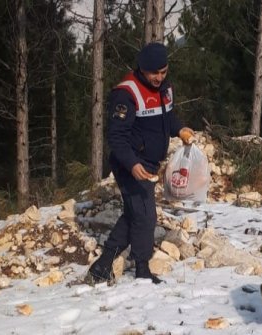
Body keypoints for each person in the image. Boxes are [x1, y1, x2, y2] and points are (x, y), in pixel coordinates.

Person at [87, 42, 195, 284]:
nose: (159, 77)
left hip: (149, 163)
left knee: (135, 213)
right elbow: (116, 137)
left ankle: (102, 265)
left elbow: (168, 116)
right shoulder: (126, 94)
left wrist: (180, 129)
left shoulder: (165, 88)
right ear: (142, 69)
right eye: (154, 73)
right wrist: (132, 164)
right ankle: (142, 268)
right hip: (130, 164)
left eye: (163, 72)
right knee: (146, 216)